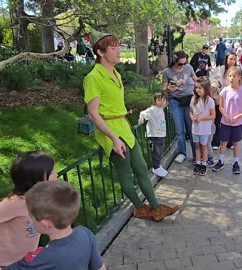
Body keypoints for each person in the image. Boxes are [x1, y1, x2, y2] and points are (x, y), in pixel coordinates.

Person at [84, 32, 179, 222]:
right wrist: (113, 138)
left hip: (123, 127)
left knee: (142, 169)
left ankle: (155, 208)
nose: (119, 50)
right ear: (100, 52)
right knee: (126, 174)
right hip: (111, 131)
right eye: (113, 47)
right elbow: (94, 114)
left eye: (118, 45)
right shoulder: (93, 77)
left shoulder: (115, 73)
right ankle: (140, 208)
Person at [0, 180, 107, 270]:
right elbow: (100, 268)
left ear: (45, 223)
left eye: (32, 217)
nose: (30, 219)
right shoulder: (85, 234)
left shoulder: (42, 258)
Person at [0, 151, 57, 267]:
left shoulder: (43, 196)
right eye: (51, 172)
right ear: (36, 180)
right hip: (6, 260)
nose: (56, 175)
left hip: (27, 255)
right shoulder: (13, 205)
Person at [212, 66, 242, 174]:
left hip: (237, 123)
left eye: (234, 76)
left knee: (236, 143)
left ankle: (236, 163)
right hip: (226, 122)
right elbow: (221, 106)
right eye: (229, 76)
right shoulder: (225, 90)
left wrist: (238, 117)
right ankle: (221, 161)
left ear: (239, 77)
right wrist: (225, 115)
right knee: (223, 142)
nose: (231, 78)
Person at [162, 50, 197, 164]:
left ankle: (196, 154)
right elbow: (163, 89)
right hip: (175, 101)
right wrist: (168, 89)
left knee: (191, 129)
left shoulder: (189, 68)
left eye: (184, 63)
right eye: (180, 64)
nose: (183, 66)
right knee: (179, 130)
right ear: (175, 61)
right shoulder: (167, 71)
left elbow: (196, 80)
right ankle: (182, 153)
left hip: (189, 100)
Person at [210, 52, 239, 149]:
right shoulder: (221, 69)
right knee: (218, 120)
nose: (232, 61)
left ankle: (229, 141)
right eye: (230, 59)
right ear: (226, 59)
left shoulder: (238, 70)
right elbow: (214, 80)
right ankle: (216, 141)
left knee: (230, 120)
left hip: (232, 99)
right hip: (221, 98)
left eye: (234, 59)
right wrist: (216, 85)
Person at [138, 92, 169, 177]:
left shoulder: (161, 109)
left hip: (161, 134)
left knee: (160, 151)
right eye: (159, 100)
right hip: (154, 135)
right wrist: (142, 118)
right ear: (155, 101)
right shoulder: (152, 109)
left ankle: (158, 165)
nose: (162, 102)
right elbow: (143, 113)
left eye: (164, 100)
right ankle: (155, 168)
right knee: (156, 152)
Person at [190, 76, 216, 176]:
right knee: (197, 146)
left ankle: (204, 164)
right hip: (195, 128)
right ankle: (198, 162)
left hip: (204, 129)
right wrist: (192, 117)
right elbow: (191, 112)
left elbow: (213, 115)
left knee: (204, 146)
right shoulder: (193, 99)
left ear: (205, 88)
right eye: (196, 88)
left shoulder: (210, 101)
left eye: (200, 88)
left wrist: (201, 119)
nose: (198, 90)